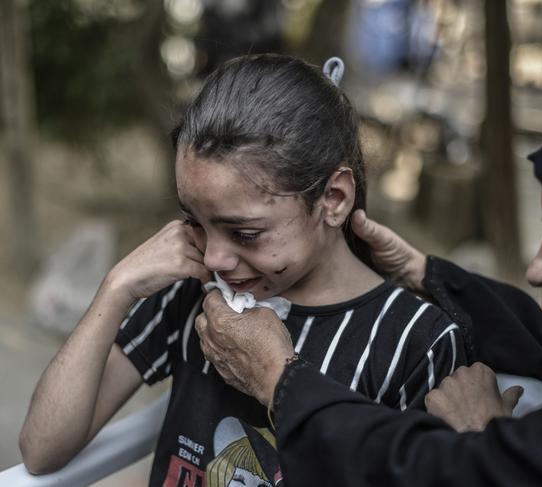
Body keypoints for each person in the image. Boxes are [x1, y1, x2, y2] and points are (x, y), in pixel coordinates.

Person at [20, 54, 476, 486]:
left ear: (333, 200)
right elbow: (43, 448)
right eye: (196, 222)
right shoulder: (191, 289)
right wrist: (116, 288)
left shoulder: (416, 342)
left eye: (244, 233)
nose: (215, 259)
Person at [196, 81, 542, 486]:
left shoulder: (421, 344)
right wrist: (430, 274)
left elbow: (425, 469)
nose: (536, 269)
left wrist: (282, 379)